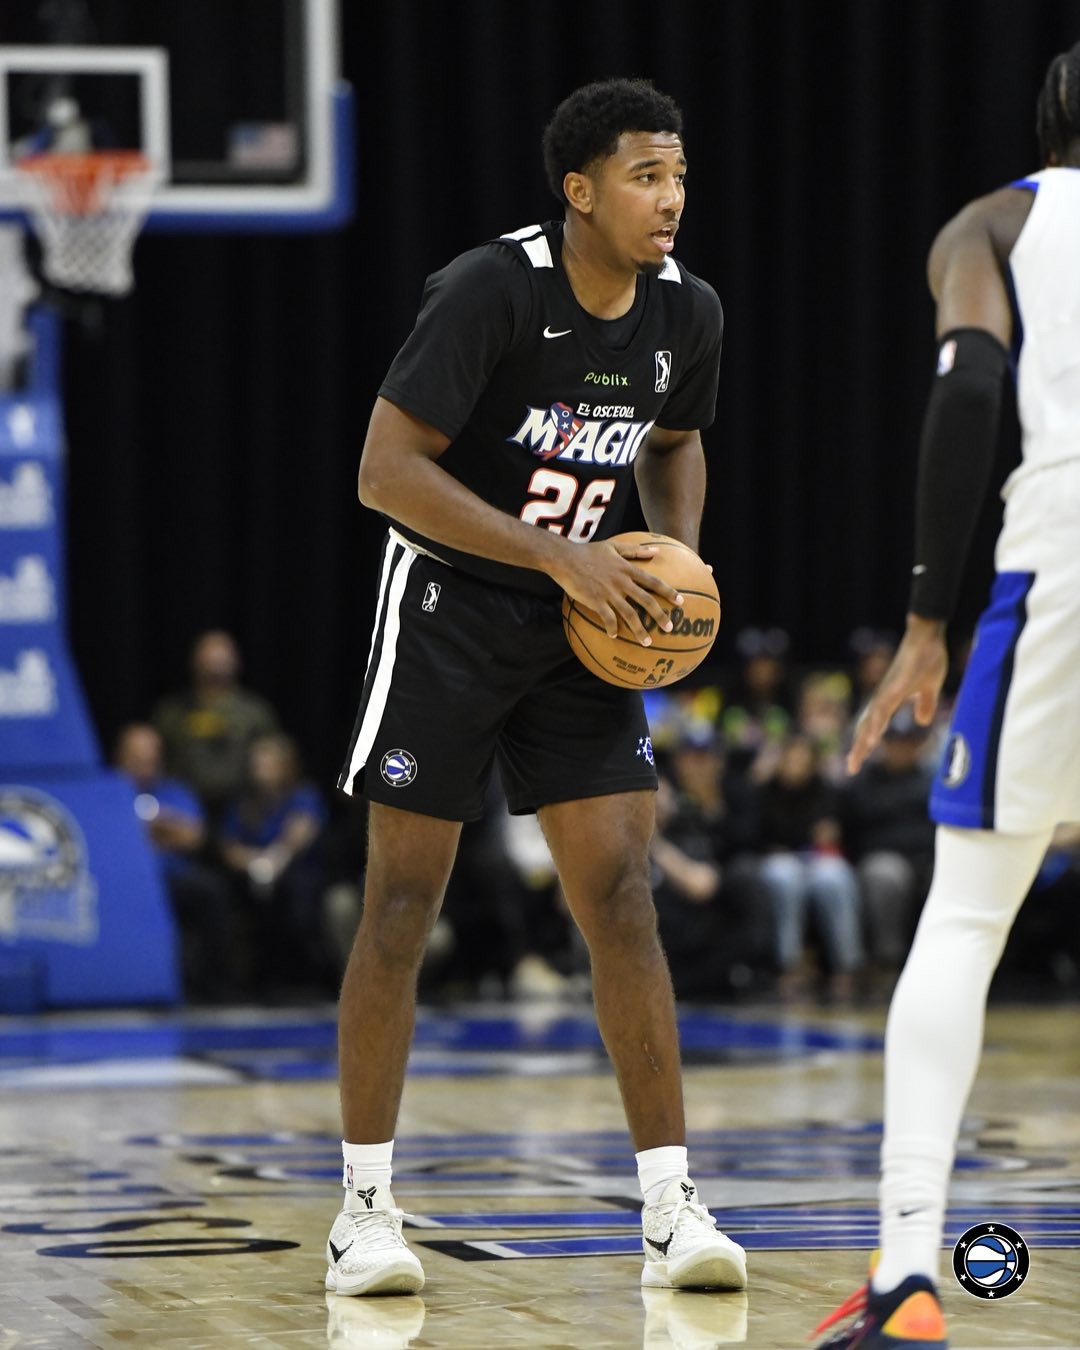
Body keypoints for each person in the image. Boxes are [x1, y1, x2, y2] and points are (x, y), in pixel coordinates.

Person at [327, 78, 747, 1298]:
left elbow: (676, 441)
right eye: (645, 177)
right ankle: (364, 1213)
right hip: (450, 612)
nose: (671, 198)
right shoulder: (490, 290)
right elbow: (384, 472)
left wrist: (674, 564)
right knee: (403, 904)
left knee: (621, 898)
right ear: (581, 191)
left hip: (587, 624)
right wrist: (559, 553)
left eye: (679, 176)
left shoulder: (688, 311)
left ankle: (669, 1208)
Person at [813, 41, 1080, 1349]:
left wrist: (926, 621)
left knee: (967, 915)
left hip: (1064, 556)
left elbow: (971, 381)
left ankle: (908, 1270)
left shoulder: (996, 223)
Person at [113, 722, 235, 1001]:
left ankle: (213, 985)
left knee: (211, 891)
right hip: (124, 879)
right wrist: (154, 831)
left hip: (172, 877)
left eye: (151, 757)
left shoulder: (176, 792)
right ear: (120, 757)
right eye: (137, 757)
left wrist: (159, 826)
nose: (146, 764)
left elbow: (194, 838)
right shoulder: (107, 791)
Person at [219, 732, 328, 992]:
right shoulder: (244, 803)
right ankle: (250, 978)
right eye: (257, 762)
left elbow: (300, 833)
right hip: (253, 872)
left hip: (296, 871)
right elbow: (228, 847)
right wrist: (255, 863)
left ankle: (300, 977)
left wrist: (274, 860)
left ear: (285, 766)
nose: (260, 768)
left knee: (293, 893)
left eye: (267, 763)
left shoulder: (303, 795)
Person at [152, 630, 279, 821]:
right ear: (194, 663)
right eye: (209, 661)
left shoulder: (255, 713)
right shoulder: (172, 713)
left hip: (242, 810)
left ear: (236, 663)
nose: (215, 669)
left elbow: (275, 761)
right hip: (183, 808)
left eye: (221, 661)